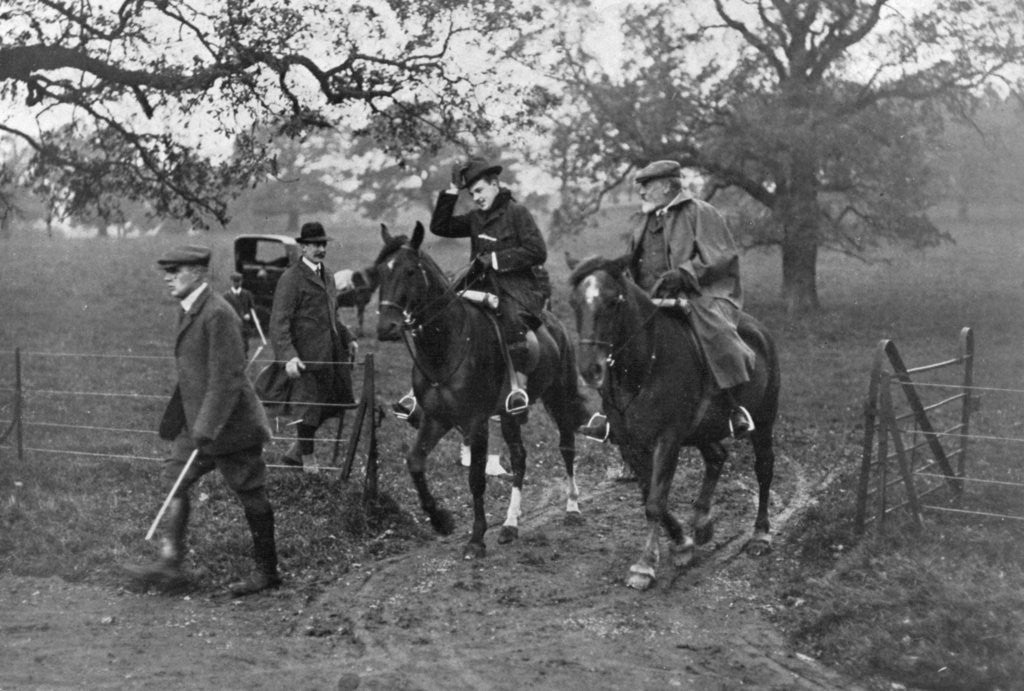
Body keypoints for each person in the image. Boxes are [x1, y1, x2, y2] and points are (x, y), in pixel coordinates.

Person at [125, 245, 281, 596]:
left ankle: (267, 572)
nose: (167, 277)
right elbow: (194, 373)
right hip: (197, 424)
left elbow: (227, 378)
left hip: (230, 425)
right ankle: (170, 564)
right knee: (174, 481)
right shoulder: (189, 309)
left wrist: (207, 429)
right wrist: (187, 422)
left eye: (175, 270)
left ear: (197, 273)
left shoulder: (218, 314)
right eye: (166, 271)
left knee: (250, 492)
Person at [579, 160, 756, 441]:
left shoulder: (700, 212)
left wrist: (685, 274)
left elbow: (721, 256)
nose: (642, 193)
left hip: (697, 294)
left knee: (717, 335)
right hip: (649, 299)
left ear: (664, 186)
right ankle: (609, 415)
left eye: (646, 186)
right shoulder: (645, 220)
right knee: (614, 339)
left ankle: (733, 408)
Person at [393, 156, 548, 418]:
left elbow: (537, 251)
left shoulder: (517, 213)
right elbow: (440, 226)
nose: (476, 198)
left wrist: (495, 259)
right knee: (440, 316)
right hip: (480, 284)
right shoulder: (476, 218)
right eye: (471, 193)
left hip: (516, 288)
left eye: (479, 191)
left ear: (495, 184)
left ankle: (516, 388)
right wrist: (452, 190)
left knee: (510, 320)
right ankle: (417, 391)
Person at [267, 221, 355, 468]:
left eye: (323, 244)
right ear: (303, 248)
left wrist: (349, 339)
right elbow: (279, 322)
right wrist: (289, 357)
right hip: (304, 358)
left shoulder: (326, 274)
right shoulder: (291, 278)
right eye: (315, 245)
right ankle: (308, 461)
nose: (320, 249)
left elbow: (332, 314)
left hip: (329, 354)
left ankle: (297, 450)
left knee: (333, 404)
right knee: (307, 410)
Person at [223, 272, 257, 356]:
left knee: (244, 346)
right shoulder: (226, 296)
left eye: (238, 281)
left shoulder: (247, 294)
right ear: (231, 282)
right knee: (232, 345)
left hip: (244, 325)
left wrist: (249, 315)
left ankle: (244, 364)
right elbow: (223, 310)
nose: (236, 283)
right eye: (234, 281)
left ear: (241, 282)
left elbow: (252, 308)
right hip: (231, 324)